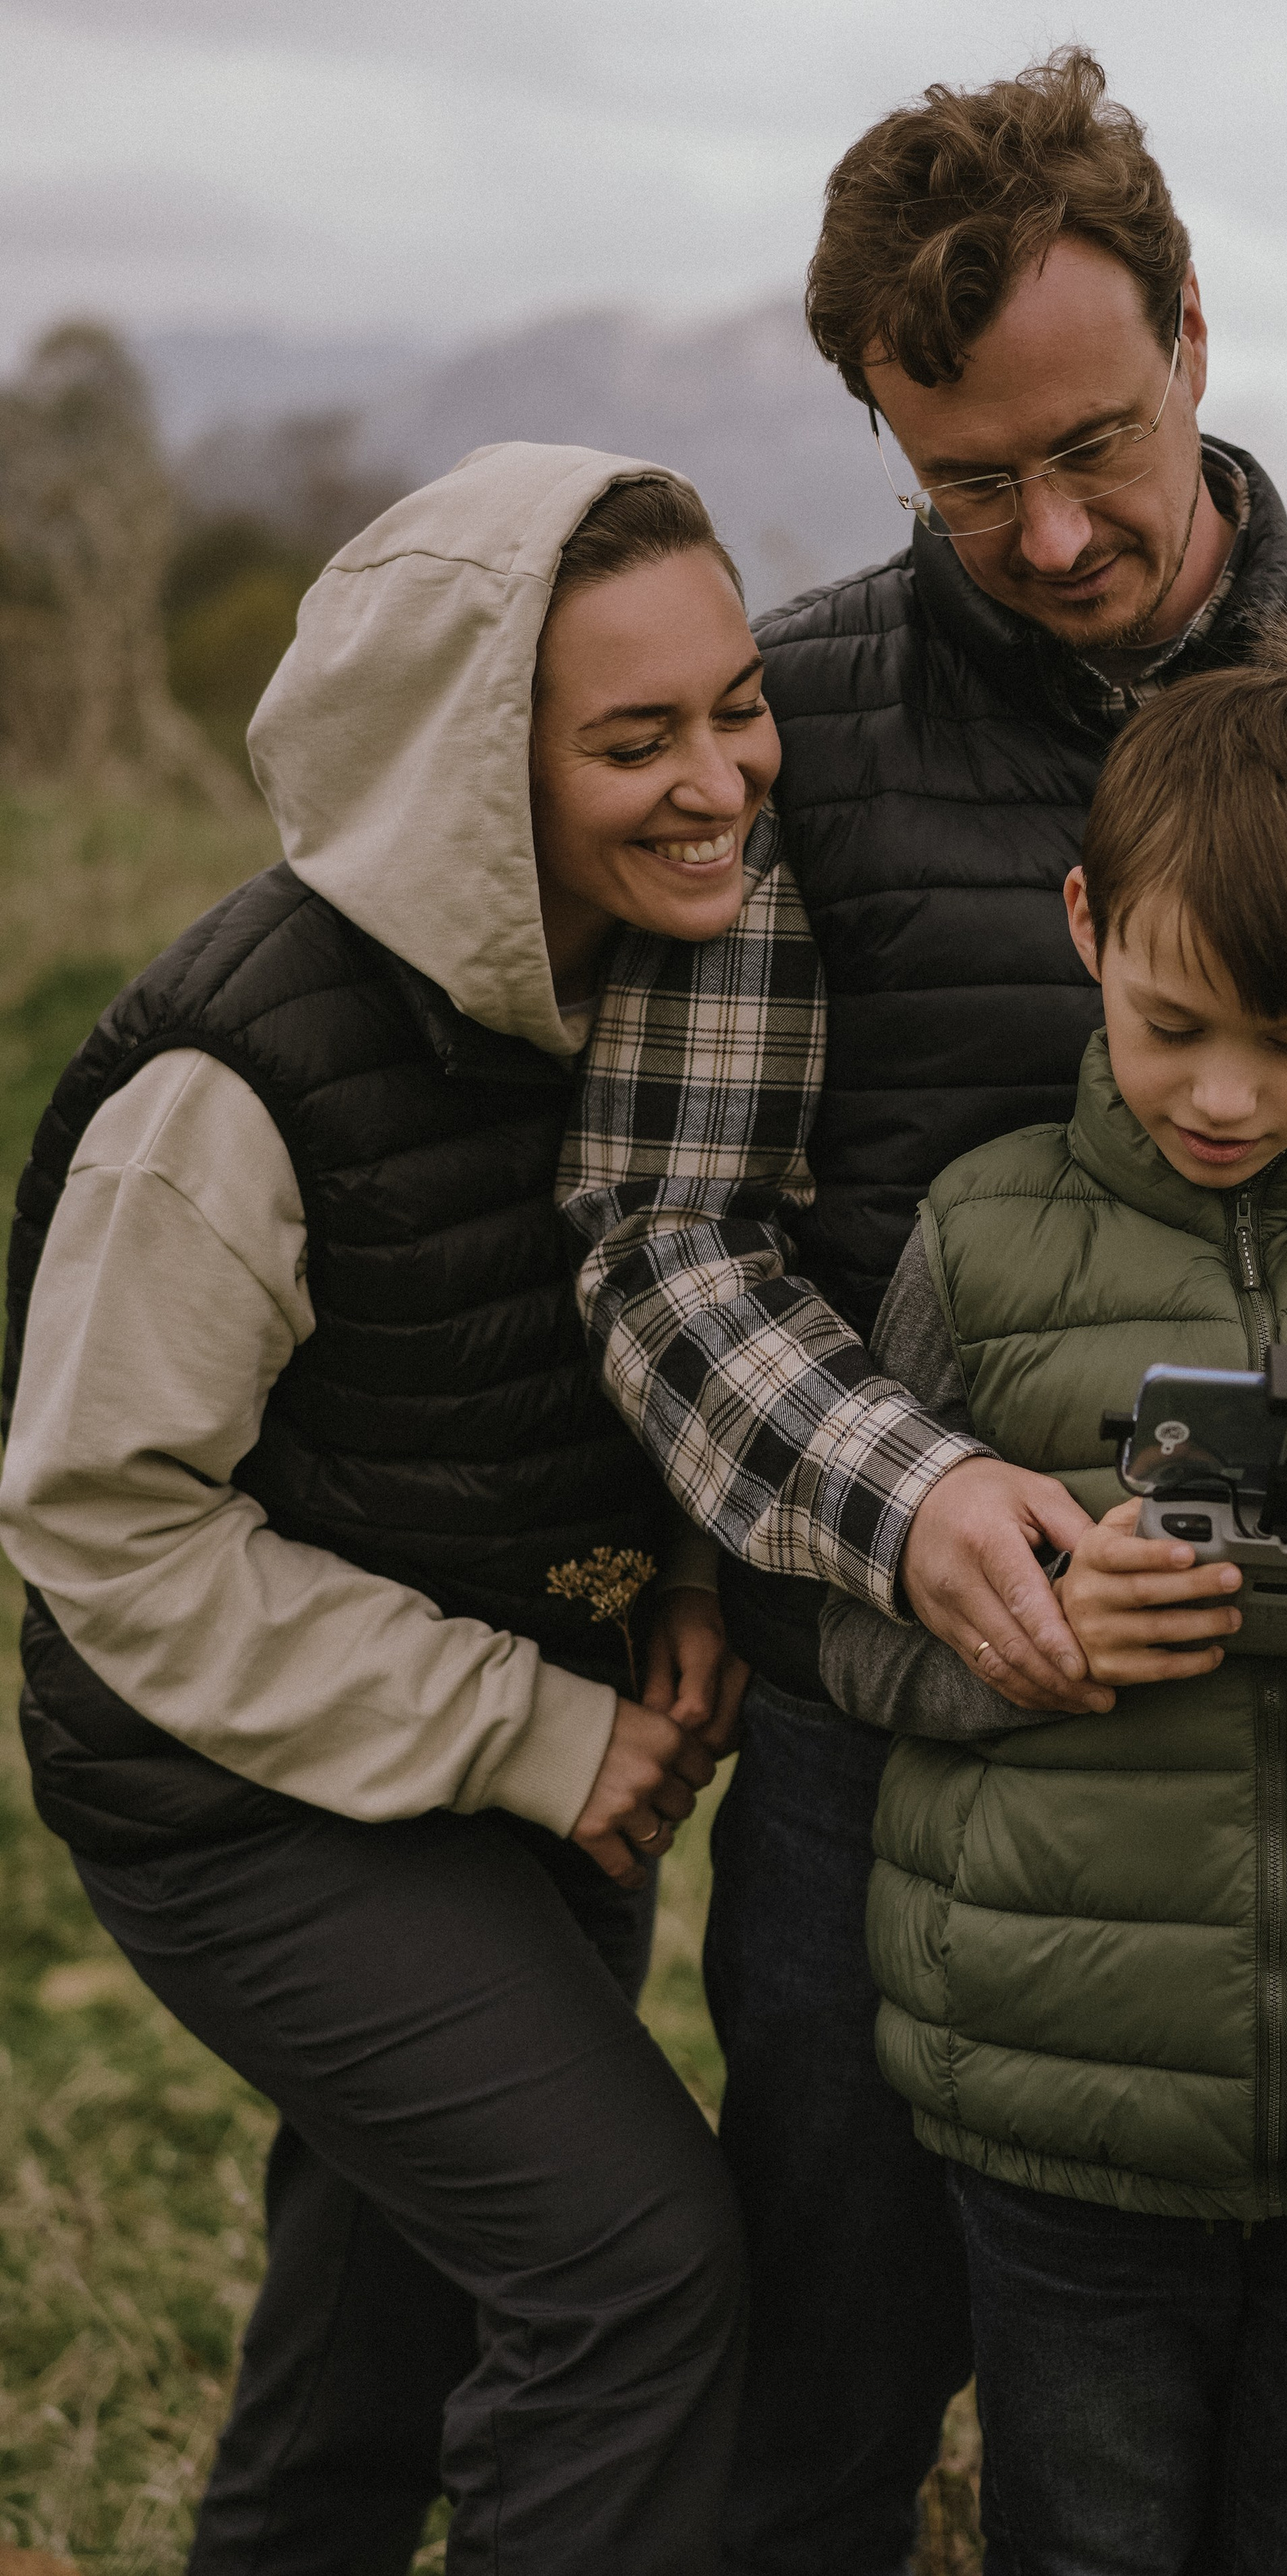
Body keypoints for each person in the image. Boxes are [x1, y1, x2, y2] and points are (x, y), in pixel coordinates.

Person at [561, 48, 1287, 2572]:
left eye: (1095, 442)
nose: (1053, 529)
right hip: (901, 1761)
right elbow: (668, 1240)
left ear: (1198, 328)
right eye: (968, 481)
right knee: (828, 2427)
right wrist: (924, 1498)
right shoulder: (813, 738)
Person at [0, 443, 772, 2574]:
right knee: (634, 2272)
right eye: (637, 738)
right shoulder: (224, 1088)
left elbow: (669, 1315)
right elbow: (105, 1527)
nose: (721, 780)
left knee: (385, 2332)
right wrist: (541, 1731)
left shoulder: (672, 979)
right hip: (243, 1794)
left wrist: (689, 1572)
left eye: (735, 705)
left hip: (541, 1756)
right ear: (468, 768)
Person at [828, 616, 1287, 2574]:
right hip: (1064, 2099)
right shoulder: (975, 1240)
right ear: (1084, 922)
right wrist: (1026, 1647)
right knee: (1084, 2543)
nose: (1226, 1095)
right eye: (1171, 1026)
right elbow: (843, 1629)